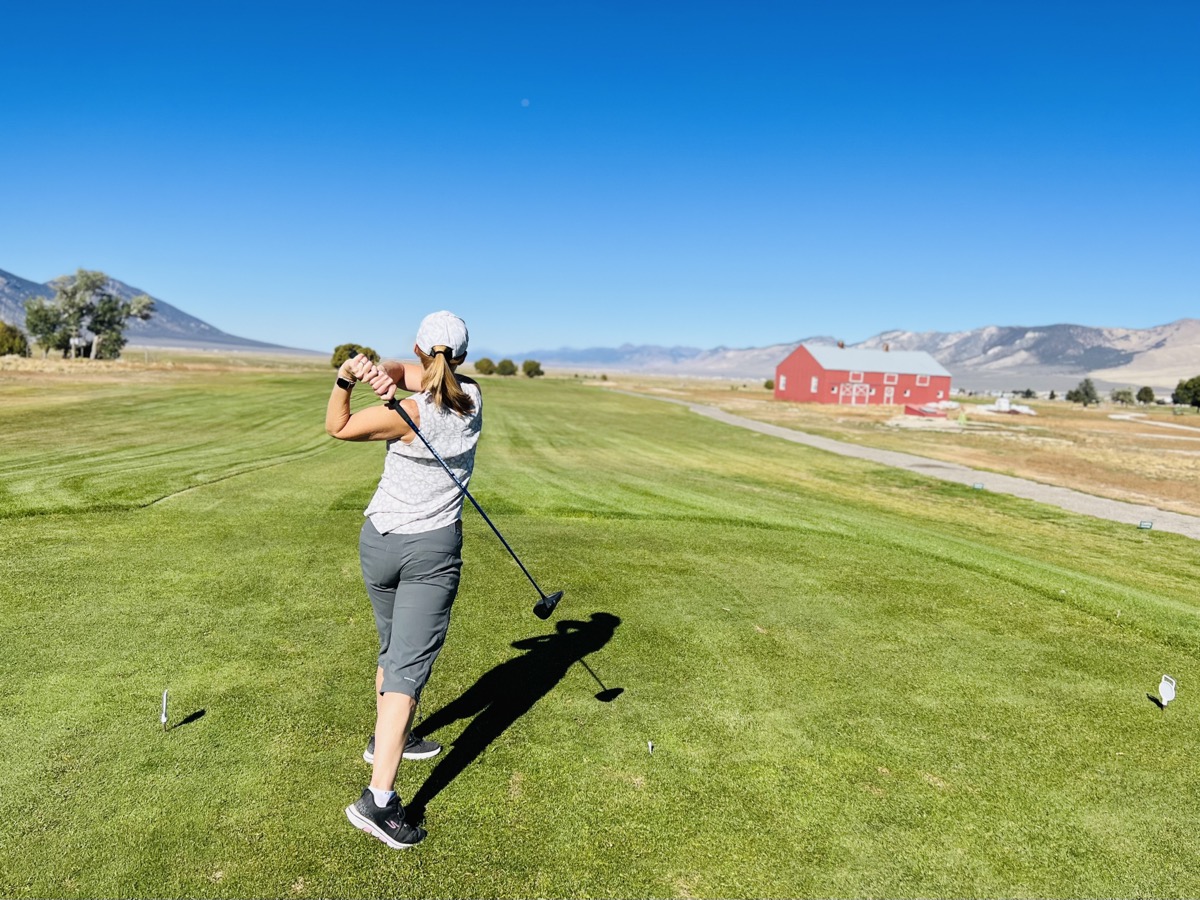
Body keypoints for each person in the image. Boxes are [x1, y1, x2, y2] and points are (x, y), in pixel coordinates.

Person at [325, 310, 482, 850]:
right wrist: (383, 375)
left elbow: (338, 426)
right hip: (430, 552)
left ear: (419, 348)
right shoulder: (475, 400)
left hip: (378, 541)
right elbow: (424, 380)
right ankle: (379, 802)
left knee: (394, 651)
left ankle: (384, 739)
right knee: (408, 673)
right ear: (460, 356)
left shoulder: (405, 414)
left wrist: (349, 379)